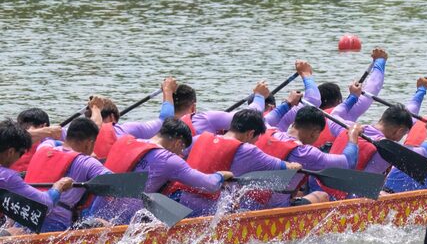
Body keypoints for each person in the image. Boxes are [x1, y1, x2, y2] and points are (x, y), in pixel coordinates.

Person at [90, 117, 233, 224]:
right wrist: (221, 175)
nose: (181, 154)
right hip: (119, 224)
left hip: (95, 214)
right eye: (181, 149)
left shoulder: (125, 141)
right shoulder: (168, 159)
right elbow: (210, 184)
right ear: (178, 142)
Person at [167, 108, 301, 216]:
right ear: (250, 134)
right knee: (241, 212)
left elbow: (177, 155)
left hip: (174, 198)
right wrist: (294, 165)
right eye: (256, 139)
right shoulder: (248, 150)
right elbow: (283, 167)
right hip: (198, 207)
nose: (255, 143)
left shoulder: (200, 138)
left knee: (231, 201)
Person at [254, 105, 358, 207]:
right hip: (275, 208)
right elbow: (349, 162)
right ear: (314, 133)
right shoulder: (305, 153)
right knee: (322, 195)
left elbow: (263, 118)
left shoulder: (266, 131)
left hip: (250, 200)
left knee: (298, 190)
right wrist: (353, 136)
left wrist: (287, 104)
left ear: (294, 123)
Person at [22, 117, 111, 232]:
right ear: (89, 143)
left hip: (23, 217)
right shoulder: (87, 163)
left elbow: (52, 141)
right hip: (55, 228)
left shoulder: (43, 148)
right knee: (103, 222)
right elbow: (115, 183)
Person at [71, 77, 179, 159]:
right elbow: (166, 121)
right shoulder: (125, 130)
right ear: (112, 117)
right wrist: (167, 90)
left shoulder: (72, 134)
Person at [0, 119, 73, 236]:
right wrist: (58, 187)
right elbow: (46, 204)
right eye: (21, 153)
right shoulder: (7, 177)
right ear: (10, 152)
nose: (20, 157)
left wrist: (46, 131)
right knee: (18, 231)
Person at [173, 80, 270, 139]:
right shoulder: (204, 119)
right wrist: (259, 96)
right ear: (193, 107)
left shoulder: (162, 127)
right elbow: (250, 116)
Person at [11, 108, 62, 172]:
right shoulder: (9, 140)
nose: (26, 131)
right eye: (23, 128)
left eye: (29, 127)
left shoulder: (52, 144)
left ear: (43, 126)